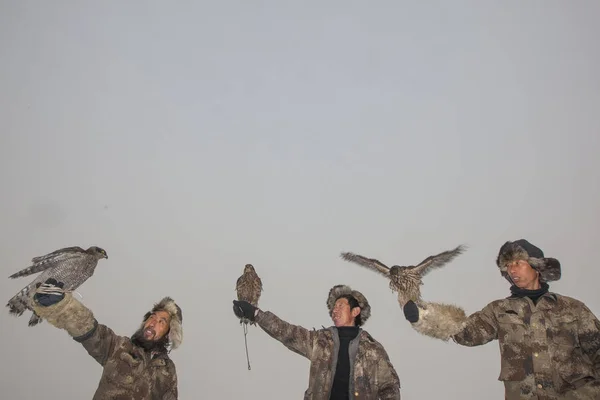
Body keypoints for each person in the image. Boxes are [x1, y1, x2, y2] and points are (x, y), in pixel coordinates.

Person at [403, 239, 600, 399]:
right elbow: (466, 332)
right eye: (507, 266)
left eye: (517, 263)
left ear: (536, 266)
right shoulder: (500, 310)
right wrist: (423, 315)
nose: (512, 270)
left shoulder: (572, 309)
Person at [233, 284, 401, 400]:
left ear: (355, 311)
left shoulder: (373, 350)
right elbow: (286, 332)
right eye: (333, 307)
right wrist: (255, 314)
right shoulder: (320, 341)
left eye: (340, 306)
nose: (334, 310)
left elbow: (390, 387)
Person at [30, 278, 182, 400]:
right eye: (152, 317)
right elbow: (90, 328)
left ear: (169, 333)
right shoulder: (120, 347)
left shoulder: (167, 370)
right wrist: (61, 304)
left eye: (162, 321)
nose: (153, 322)